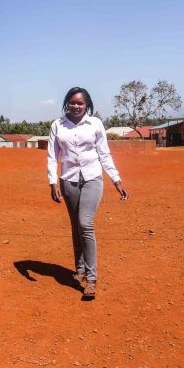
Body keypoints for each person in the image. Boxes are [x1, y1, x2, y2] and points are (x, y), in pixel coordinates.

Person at [47, 87, 128, 299]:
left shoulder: (95, 124)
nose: (76, 106)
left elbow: (104, 153)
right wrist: (52, 182)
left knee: (85, 223)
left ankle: (91, 279)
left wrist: (116, 179)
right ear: (67, 103)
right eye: (72, 102)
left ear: (87, 105)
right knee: (76, 226)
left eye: (80, 103)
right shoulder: (58, 125)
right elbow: (52, 156)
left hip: (92, 177)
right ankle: (80, 269)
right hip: (69, 180)